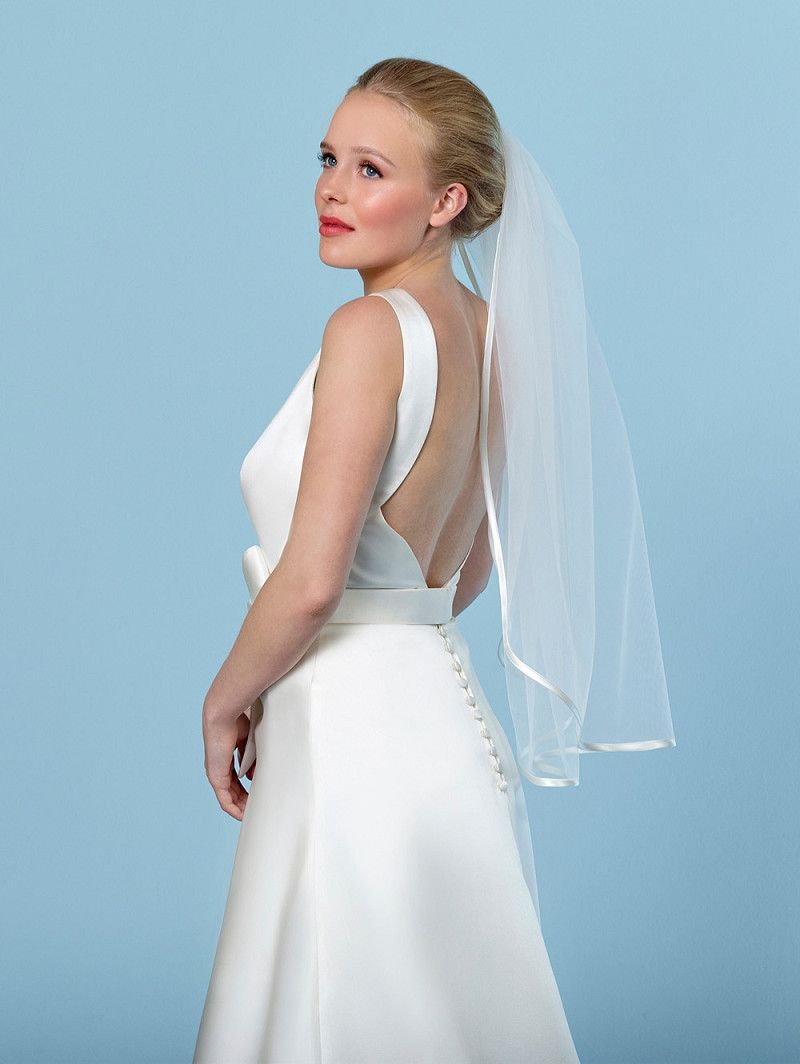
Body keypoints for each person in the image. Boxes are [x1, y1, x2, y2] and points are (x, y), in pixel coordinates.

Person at [194, 56, 673, 1064]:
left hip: (346, 723)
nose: (331, 190)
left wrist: (223, 700)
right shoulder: (492, 333)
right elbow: (468, 572)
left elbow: (311, 581)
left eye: (371, 169)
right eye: (328, 159)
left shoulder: (367, 330)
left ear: (447, 201)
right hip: (447, 717)